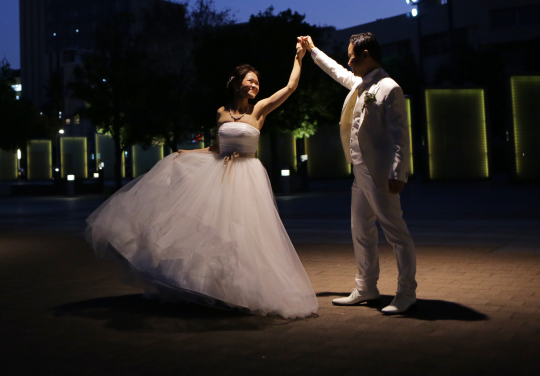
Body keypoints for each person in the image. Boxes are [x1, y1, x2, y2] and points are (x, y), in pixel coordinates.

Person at [86, 40, 319, 318]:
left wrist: (299, 57)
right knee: (217, 233)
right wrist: (187, 153)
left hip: (248, 177)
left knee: (247, 233)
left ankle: (247, 290)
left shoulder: (259, 110)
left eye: (257, 83)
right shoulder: (221, 112)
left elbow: (290, 87)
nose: (255, 86)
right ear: (237, 83)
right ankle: (220, 288)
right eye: (251, 81)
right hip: (220, 175)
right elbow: (216, 148)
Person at [299, 33, 416, 315]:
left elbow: (401, 135)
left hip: (379, 174)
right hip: (359, 173)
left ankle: (406, 292)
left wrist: (398, 172)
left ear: (366, 55)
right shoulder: (360, 84)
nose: (348, 61)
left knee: (396, 233)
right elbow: (337, 72)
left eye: (352, 55)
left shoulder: (389, 88)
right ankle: (366, 287)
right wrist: (313, 51)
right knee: (361, 230)